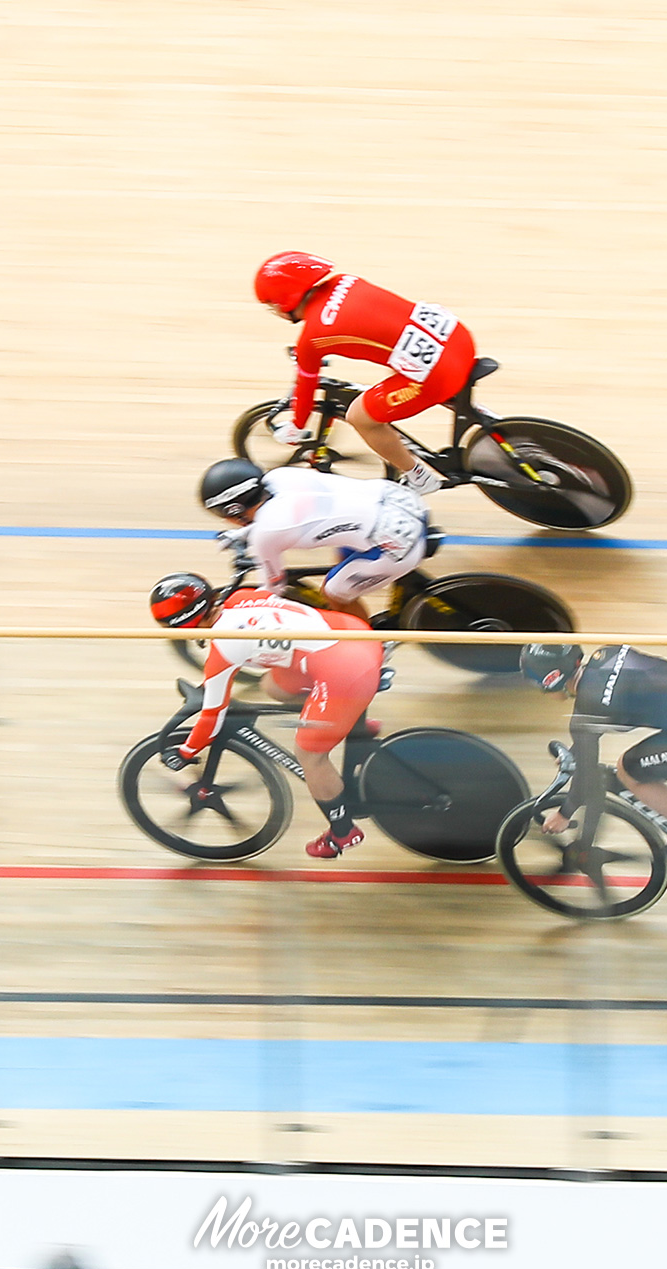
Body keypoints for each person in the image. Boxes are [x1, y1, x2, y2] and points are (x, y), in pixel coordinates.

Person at [149, 581, 383, 859]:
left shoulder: (224, 647)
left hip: (346, 666)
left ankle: (343, 832)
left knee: (310, 755)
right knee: (273, 685)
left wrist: (187, 751)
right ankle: (345, 718)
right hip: (351, 632)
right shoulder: (240, 597)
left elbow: (212, 716)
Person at [520, 643, 667, 879]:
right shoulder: (607, 654)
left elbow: (586, 776)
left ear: (551, 680)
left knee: (630, 769)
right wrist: (578, 748)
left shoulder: (585, 711)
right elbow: (607, 705)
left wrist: (564, 813)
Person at [253, 250, 479, 496]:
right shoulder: (345, 280)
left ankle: (419, 478)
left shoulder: (313, 338)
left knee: (360, 416)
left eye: (272, 306)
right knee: (395, 363)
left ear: (284, 300)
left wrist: (296, 426)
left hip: (441, 372)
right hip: (457, 337)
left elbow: (306, 386)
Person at [195, 457, 432, 623]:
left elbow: (273, 588)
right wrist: (244, 533)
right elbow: (298, 511)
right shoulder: (279, 476)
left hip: (397, 542)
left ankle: (369, 649)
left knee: (334, 592)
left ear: (235, 511)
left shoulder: (265, 535)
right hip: (398, 499)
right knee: (341, 557)